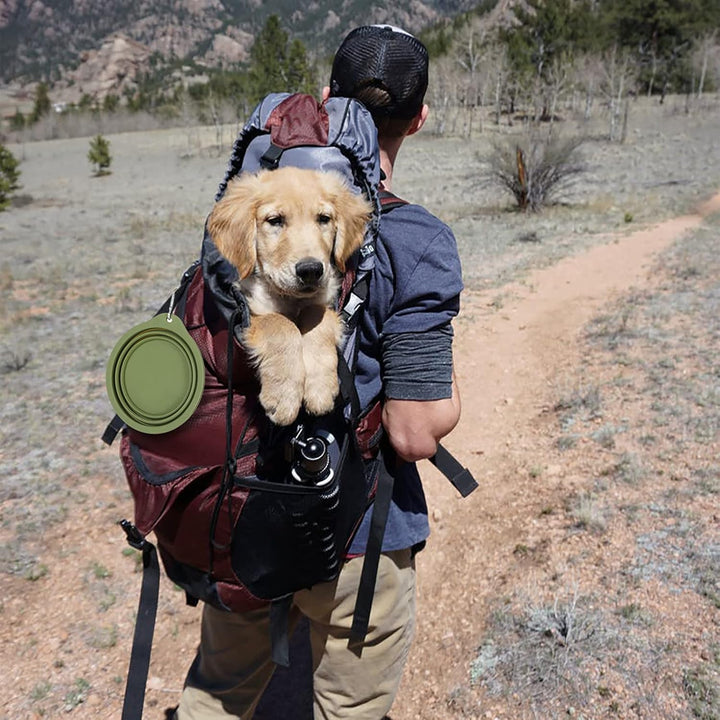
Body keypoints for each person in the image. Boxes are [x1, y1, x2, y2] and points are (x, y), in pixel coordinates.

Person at [174, 24, 463, 720]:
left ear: (329, 100)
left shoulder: (255, 209)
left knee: (217, 693)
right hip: (359, 532)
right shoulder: (417, 240)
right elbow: (416, 429)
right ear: (419, 120)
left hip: (238, 501)